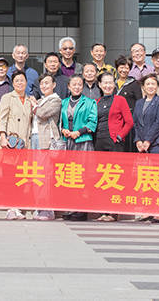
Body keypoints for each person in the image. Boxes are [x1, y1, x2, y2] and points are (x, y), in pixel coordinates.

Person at [95, 72, 134, 221]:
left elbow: (129, 122)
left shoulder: (120, 100)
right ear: (100, 85)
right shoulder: (97, 102)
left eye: (111, 82)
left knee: (114, 177)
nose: (108, 85)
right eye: (105, 82)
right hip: (99, 142)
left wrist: (119, 136)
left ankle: (113, 212)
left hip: (114, 142)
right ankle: (103, 211)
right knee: (101, 177)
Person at [59, 74, 97, 221]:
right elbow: (59, 122)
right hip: (67, 142)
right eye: (74, 84)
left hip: (83, 142)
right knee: (69, 175)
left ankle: (82, 208)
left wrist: (78, 132)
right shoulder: (63, 102)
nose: (77, 87)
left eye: (80, 84)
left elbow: (92, 122)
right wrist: (63, 130)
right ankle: (71, 206)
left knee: (83, 176)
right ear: (69, 86)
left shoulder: (90, 102)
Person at [0, 70, 33, 221]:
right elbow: (2, 118)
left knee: (21, 176)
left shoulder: (30, 100)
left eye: (22, 80)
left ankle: (17, 206)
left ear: (26, 82)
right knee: (9, 176)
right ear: (12, 83)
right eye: (17, 80)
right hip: (10, 142)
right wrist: (3, 137)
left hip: (24, 144)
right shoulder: (7, 97)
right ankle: (9, 208)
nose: (20, 83)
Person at [29, 73, 62, 221]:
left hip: (46, 140)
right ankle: (39, 208)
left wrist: (34, 106)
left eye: (47, 83)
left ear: (54, 85)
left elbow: (43, 113)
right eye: (42, 83)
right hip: (35, 138)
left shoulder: (55, 100)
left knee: (46, 174)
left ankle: (47, 209)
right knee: (37, 174)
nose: (44, 86)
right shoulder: (40, 100)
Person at [133, 74, 159, 155]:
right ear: (143, 87)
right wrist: (138, 140)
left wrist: (148, 140)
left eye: (153, 84)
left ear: (157, 86)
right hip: (141, 145)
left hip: (157, 144)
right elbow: (135, 122)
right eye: (148, 84)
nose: (150, 86)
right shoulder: (138, 103)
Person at [114, 55, 142, 152]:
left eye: (127, 68)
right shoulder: (112, 83)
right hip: (115, 121)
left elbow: (139, 102)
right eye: (121, 67)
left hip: (129, 121)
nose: (124, 70)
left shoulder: (134, 84)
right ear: (117, 68)